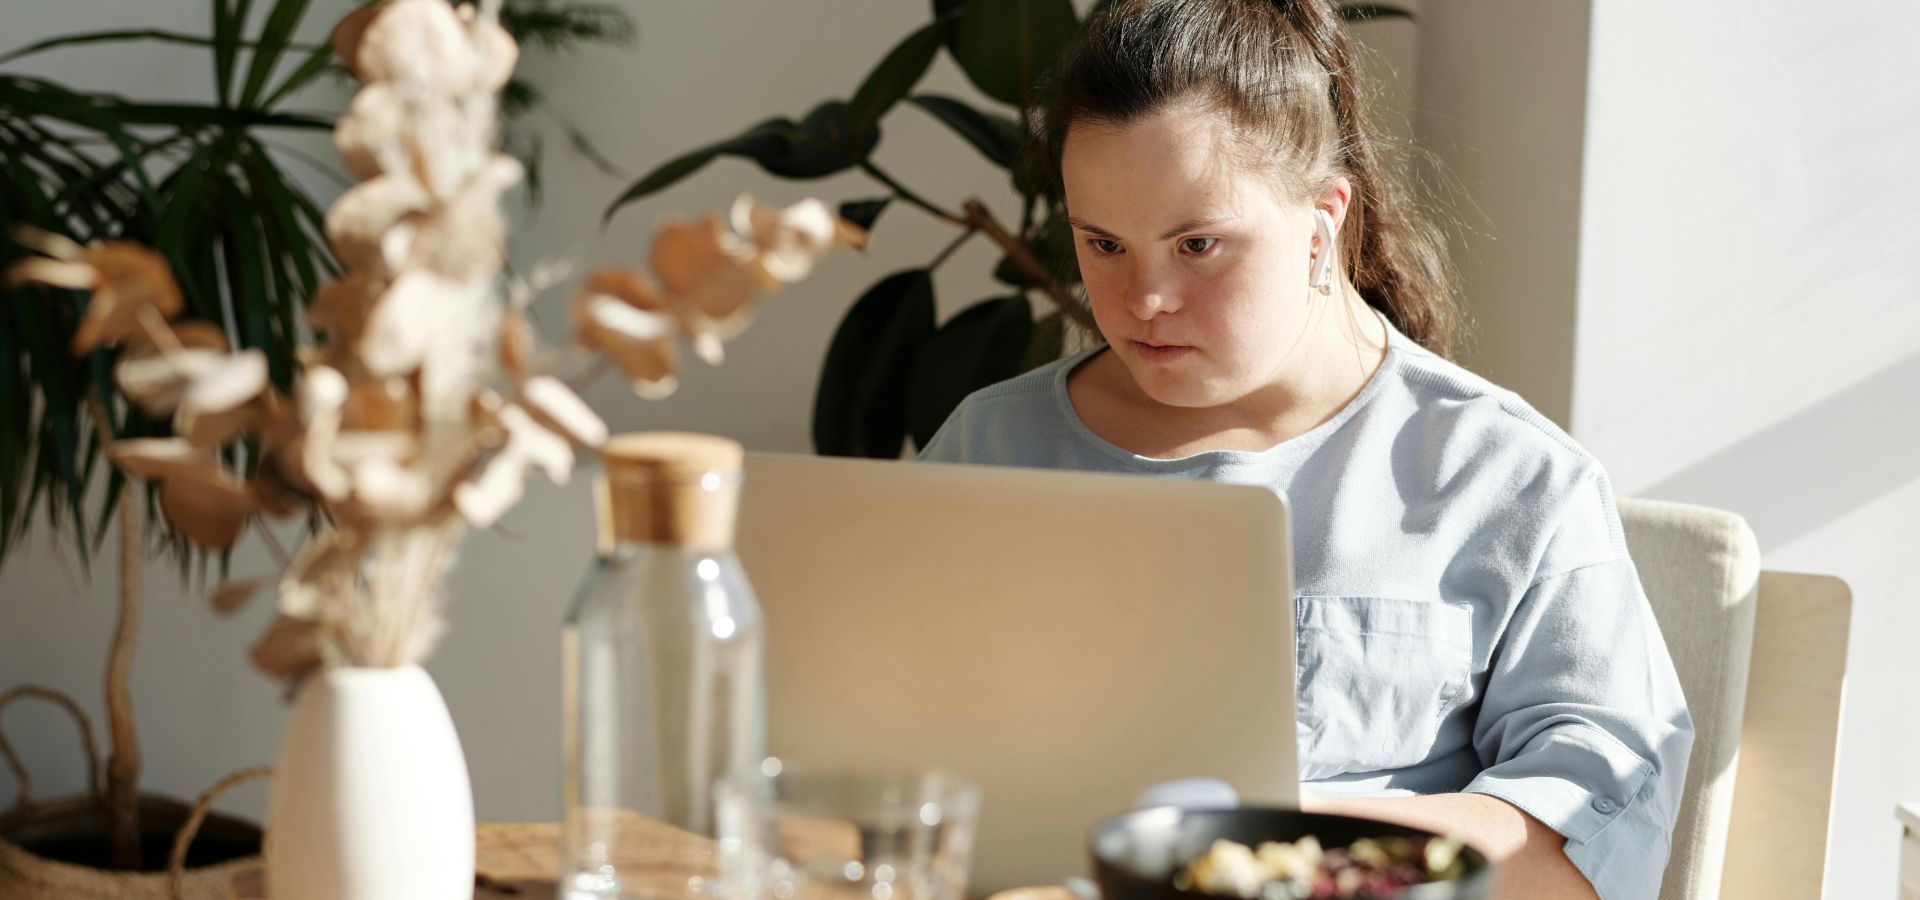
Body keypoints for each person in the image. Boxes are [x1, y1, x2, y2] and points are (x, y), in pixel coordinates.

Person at [914, 1, 1693, 897]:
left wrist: (1258, 856)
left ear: (1322, 222)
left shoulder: (1507, 480)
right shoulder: (988, 445)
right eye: (1104, 244)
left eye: (1197, 244)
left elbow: (1591, 841)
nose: (1143, 299)